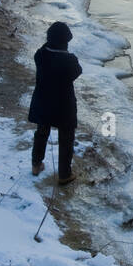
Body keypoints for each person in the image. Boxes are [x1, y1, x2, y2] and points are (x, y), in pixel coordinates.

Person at [28, 21, 82, 185]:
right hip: (63, 106)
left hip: (43, 102)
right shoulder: (69, 60)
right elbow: (77, 72)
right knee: (66, 137)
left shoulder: (40, 55)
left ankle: (36, 165)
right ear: (65, 41)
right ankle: (64, 174)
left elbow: (45, 49)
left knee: (41, 133)